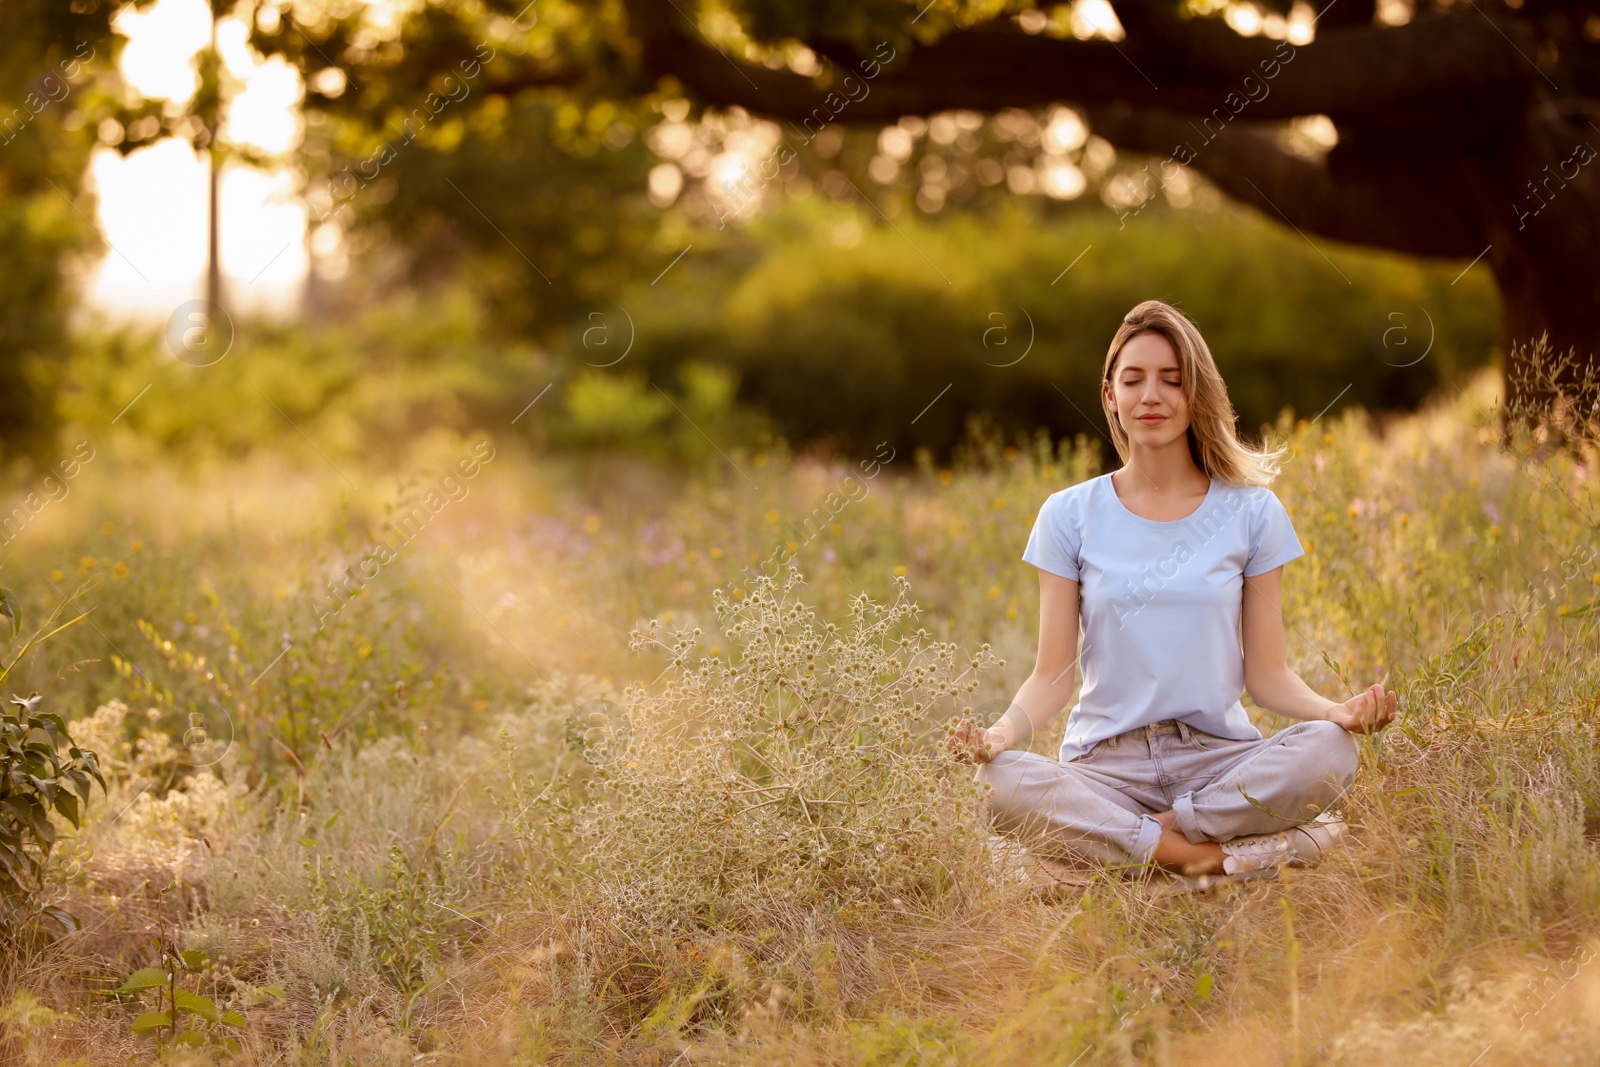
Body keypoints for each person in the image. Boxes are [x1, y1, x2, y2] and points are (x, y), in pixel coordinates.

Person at [948, 299, 1396, 885]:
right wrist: (999, 735)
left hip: (1217, 761)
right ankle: (1210, 857)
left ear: (1196, 394)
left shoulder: (1251, 512)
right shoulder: (1068, 515)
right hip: (1105, 770)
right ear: (1110, 395)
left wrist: (1335, 712)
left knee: (1332, 751)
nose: (1151, 396)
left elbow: (1267, 675)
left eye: (1172, 380)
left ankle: (1130, 848)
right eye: (1132, 380)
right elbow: (1052, 674)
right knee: (995, 782)